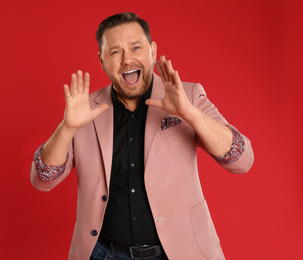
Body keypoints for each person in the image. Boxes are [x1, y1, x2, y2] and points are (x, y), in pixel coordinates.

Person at [30, 12, 254, 260]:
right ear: (102, 60)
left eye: (136, 47)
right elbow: (43, 180)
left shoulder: (187, 95)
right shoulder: (85, 109)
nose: (127, 59)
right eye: (115, 52)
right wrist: (67, 127)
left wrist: (189, 113)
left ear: (152, 50)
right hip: (104, 253)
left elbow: (241, 161)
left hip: (180, 251)